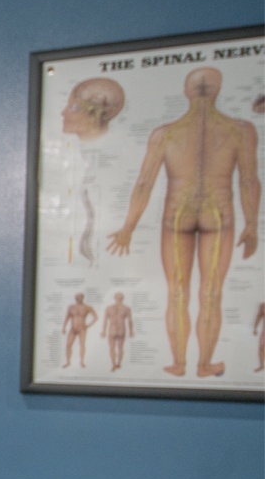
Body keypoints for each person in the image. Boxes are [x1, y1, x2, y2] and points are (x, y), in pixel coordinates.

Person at [106, 67, 260, 377]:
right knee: (212, 291)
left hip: (177, 213)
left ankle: (179, 363)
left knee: (177, 291)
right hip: (219, 213)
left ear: (186, 92)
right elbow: (248, 181)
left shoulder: (166, 133)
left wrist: (128, 227)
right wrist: (252, 224)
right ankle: (204, 364)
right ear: (217, 90)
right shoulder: (239, 130)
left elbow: (144, 183)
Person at [61, 292, 97, 369]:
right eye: (77, 297)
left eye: (80, 297)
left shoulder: (87, 307)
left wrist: (88, 325)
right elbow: (67, 317)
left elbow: (95, 317)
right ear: (75, 298)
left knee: (82, 344)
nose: (78, 299)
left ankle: (82, 361)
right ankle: (68, 362)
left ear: (83, 298)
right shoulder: (71, 307)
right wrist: (64, 327)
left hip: (82, 328)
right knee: (68, 345)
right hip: (73, 328)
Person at [102, 292, 134, 371]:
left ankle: (114, 364)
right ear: (122, 298)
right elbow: (129, 321)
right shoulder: (126, 308)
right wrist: (131, 331)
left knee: (113, 348)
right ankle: (118, 363)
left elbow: (105, 321)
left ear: (115, 298)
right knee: (119, 348)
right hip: (121, 329)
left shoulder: (109, 308)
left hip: (113, 329)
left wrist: (104, 331)